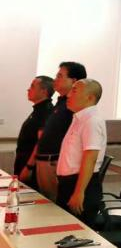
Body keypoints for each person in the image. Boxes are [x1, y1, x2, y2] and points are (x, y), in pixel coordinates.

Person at [56, 78, 106, 227]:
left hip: (81, 185)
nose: (68, 95)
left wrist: (79, 192)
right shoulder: (79, 118)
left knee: (77, 233)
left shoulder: (92, 120)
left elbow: (90, 158)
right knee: (64, 230)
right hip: (69, 184)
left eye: (74, 91)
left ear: (90, 97)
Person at [34, 62, 86, 201]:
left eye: (60, 76)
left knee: (54, 205)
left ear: (74, 81)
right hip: (45, 161)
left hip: (55, 162)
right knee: (46, 203)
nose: (55, 79)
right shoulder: (61, 102)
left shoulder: (74, 106)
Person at [16, 76, 54, 186]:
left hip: (32, 168)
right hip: (23, 161)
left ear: (44, 91)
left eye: (32, 86)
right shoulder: (38, 110)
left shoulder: (46, 112)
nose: (28, 89)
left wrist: (29, 167)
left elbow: (40, 142)